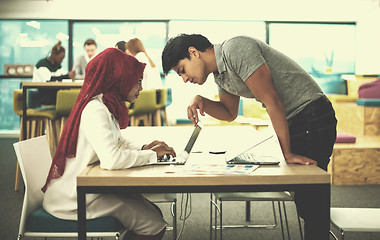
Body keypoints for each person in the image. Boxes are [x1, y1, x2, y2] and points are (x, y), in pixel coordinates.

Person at [162, 34, 337, 240]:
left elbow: (271, 99)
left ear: (193, 52)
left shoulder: (235, 49)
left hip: (311, 116)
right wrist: (201, 101)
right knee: (307, 203)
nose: (184, 79)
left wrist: (287, 153)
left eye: (182, 70)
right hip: (297, 120)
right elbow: (229, 113)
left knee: (312, 202)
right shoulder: (220, 75)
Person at [42, 48, 176, 240]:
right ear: (120, 79)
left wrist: (144, 148)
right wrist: (152, 155)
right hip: (73, 198)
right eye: (137, 81)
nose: (141, 87)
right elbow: (111, 160)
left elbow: (118, 141)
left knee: (153, 212)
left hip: (87, 188)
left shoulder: (106, 104)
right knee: (154, 225)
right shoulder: (96, 110)